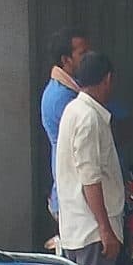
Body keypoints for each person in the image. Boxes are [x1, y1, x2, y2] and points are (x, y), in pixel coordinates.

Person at [54, 52, 127, 265]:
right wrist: (105, 230)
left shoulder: (72, 110)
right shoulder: (89, 117)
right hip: (92, 234)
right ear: (107, 79)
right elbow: (90, 180)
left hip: (77, 232)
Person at [42, 27, 92, 218]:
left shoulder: (74, 89)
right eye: (82, 54)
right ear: (66, 60)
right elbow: (83, 153)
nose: (88, 58)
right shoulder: (62, 97)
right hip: (73, 198)